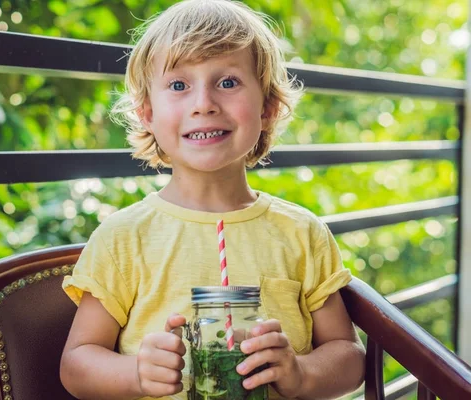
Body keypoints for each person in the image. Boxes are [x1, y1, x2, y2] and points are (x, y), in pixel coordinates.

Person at [59, 0, 365, 398]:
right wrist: (136, 372)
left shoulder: (302, 232)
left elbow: (349, 356)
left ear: (268, 106)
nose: (203, 103)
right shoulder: (122, 237)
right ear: (148, 112)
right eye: (179, 85)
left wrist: (301, 372)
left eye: (227, 82)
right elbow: (76, 365)